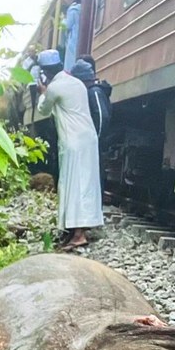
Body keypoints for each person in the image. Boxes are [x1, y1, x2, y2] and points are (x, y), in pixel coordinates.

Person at [35, 49, 104, 249]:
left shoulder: (55, 87)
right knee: (84, 184)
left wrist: (42, 93)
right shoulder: (77, 83)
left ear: (45, 72)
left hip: (73, 141)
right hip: (87, 139)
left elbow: (44, 109)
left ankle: (78, 234)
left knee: (73, 185)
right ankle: (76, 230)